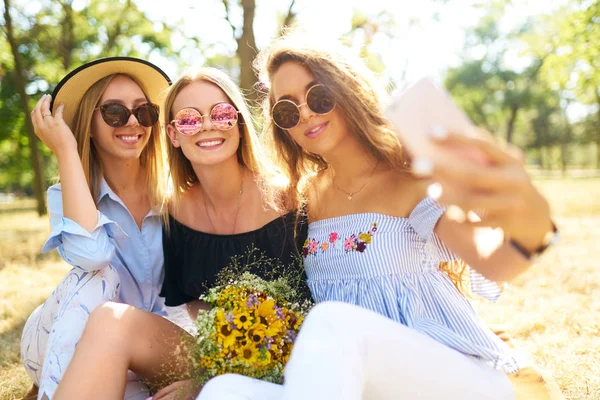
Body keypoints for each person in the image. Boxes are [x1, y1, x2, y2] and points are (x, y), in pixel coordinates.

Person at [195, 34, 558, 400]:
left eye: (318, 96)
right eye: (287, 110)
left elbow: (494, 260)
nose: (305, 113)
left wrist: (532, 216)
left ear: (346, 91)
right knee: (223, 391)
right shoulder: (303, 198)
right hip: (356, 385)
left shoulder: (409, 177)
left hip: (454, 374)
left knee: (332, 319)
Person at [51, 67, 307, 400]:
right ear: (172, 134)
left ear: (240, 123)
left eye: (222, 114)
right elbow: (198, 312)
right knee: (111, 320)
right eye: (188, 119)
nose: (207, 126)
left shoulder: (291, 197)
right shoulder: (174, 212)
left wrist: (211, 384)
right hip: (221, 356)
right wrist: (205, 373)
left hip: (301, 357)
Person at [21, 57, 172, 400]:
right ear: (88, 124)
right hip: (67, 334)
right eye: (115, 112)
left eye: (144, 111)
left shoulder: (176, 196)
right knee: (98, 277)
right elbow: (91, 257)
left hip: (144, 346)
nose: (133, 122)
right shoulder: (69, 194)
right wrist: (65, 150)